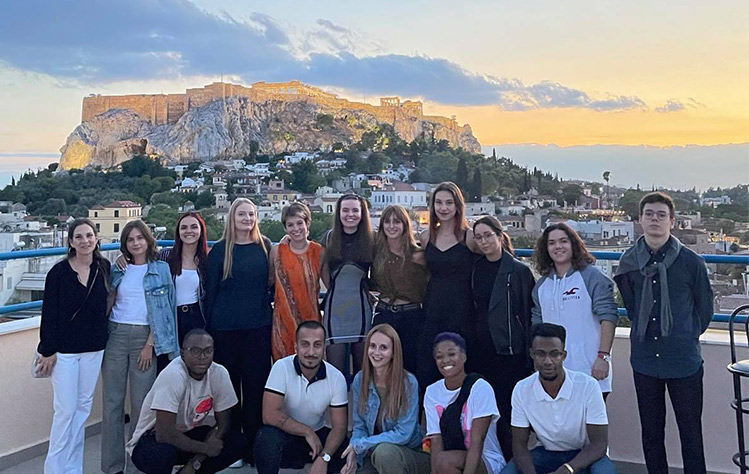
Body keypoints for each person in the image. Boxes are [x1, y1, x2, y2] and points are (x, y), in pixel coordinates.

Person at [614, 192, 713, 474]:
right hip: (645, 360)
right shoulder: (629, 262)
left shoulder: (692, 263)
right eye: (649, 214)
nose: (654, 219)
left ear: (672, 221)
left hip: (683, 360)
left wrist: (684, 334)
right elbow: (631, 306)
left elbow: (704, 309)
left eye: (661, 215)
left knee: (691, 433)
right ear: (640, 220)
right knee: (651, 433)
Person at [101, 220, 178, 474]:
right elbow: (108, 302)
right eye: (130, 240)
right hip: (116, 335)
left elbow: (165, 310)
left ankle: (137, 465)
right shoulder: (118, 269)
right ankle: (112, 467)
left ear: (148, 240)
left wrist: (150, 344)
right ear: (125, 244)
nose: (135, 243)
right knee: (112, 403)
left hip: (145, 339)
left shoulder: (161, 269)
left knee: (142, 406)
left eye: (139, 238)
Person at [37, 218, 111, 474]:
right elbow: (49, 314)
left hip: (94, 349)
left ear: (96, 238)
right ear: (70, 242)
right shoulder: (58, 273)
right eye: (79, 237)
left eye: (89, 235)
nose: (85, 241)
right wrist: (47, 350)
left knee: (81, 411)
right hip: (65, 353)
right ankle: (54, 469)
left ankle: (72, 469)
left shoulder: (104, 267)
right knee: (65, 412)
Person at [205, 197, 273, 467]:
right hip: (225, 329)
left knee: (256, 388)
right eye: (242, 214)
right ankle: (233, 445)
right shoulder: (221, 251)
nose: (247, 219)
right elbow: (210, 292)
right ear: (232, 218)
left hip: (258, 327)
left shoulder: (265, 247)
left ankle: (254, 447)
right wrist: (209, 329)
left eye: (251, 214)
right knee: (229, 389)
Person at [502, 323, 615, 474]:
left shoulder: (588, 386)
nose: (547, 361)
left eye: (554, 354)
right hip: (546, 453)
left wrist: (567, 470)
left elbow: (599, 444)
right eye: (540, 354)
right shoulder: (522, 390)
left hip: (585, 455)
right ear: (532, 354)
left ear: (564, 355)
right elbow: (519, 445)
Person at [127, 329, 245, 474]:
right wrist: (205, 448)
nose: (202, 357)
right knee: (161, 455)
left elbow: (224, 423)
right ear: (183, 354)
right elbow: (164, 434)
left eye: (208, 351)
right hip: (153, 438)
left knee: (238, 442)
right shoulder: (173, 375)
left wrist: (196, 461)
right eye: (195, 351)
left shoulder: (219, 373)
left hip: (191, 433)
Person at [470, 216, 535, 460]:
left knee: (509, 414)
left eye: (488, 235)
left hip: (509, 353)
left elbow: (527, 314)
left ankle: (513, 462)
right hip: (481, 351)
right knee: (485, 412)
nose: (484, 241)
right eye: (479, 237)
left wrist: (529, 355)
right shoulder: (477, 267)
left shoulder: (518, 270)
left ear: (499, 235)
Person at [531, 223, 618, 398]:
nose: (558, 246)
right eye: (552, 243)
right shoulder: (541, 286)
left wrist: (603, 357)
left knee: (591, 426)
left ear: (573, 244)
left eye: (563, 241)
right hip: (553, 375)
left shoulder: (592, 277)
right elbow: (537, 328)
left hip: (591, 372)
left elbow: (608, 317)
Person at [254, 321, 349, 474]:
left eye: (317, 345)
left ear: (324, 349)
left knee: (345, 449)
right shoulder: (281, 367)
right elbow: (269, 415)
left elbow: (340, 427)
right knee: (266, 438)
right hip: (288, 436)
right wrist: (306, 432)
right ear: (296, 347)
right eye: (305, 344)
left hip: (317, 436)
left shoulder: (336, 377)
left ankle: (317, 467)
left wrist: (324, 457)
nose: (311, 352)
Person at [343, 324, 430, 474]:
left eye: (383, 348)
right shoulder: (360, 379)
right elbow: (360, 426)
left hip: (409, 452)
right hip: (374, 452)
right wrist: (354, 452)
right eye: (372, 346)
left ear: (393, 353)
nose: (376, 352)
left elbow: (404, 433)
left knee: (384, 453)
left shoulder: (408, 382)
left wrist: (361, 445)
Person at [419, 182, 476, 389]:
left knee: (462, 365)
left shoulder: (469, 237)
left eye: (449, 203)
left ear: (458, 206)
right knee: (430, 367)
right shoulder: (426, 237)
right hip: (433, 309)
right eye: (439, 203)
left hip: (462, 310)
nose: (443, 208)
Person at [424, 332, 506, 474]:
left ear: (464, 356)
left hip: (485, 460)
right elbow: (436, 439)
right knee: (442, 461)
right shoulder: (432, 392)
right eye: (439, 356)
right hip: (448, 461)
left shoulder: (480, 388)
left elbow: (477, 442)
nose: (445, 360)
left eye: (451, 354)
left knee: (445, 461)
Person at [321, 193, 375, 379]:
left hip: (361, 311)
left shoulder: (372, 239)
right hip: (335, 311)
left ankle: (361, 408)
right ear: (338, 213)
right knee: (335, 376)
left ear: (362, 213)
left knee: (363, 374)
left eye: (355, 210)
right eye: (345, 210)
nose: (350, 214)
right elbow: (320, 267)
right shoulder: (329, 238)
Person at [371, 205, 429, 375]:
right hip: (383, 313)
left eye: (396, 221)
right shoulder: (376, 253)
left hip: (410, 316)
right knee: (381, 368)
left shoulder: (419, 255)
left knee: (410, 366)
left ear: (405, 224)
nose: (391, 226)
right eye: (387, 222)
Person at [271, 202, 324, 360]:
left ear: (308, 223)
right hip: (283, 323)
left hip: (311, 321)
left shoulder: (319, 252)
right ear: (285, 228)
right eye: (290, 225)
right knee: (284, 370)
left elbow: (330, 284)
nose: (296, 228)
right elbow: (268, 281)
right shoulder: (277, 252)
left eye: (300, 223)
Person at [159, 211, 209, 346]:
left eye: (194, 227)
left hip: (196, 317)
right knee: (168, 363)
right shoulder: (165, 256)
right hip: (170, 316)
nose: (189, 231)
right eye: (184, 227)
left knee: (194, 362)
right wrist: (123, 258)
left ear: (201, 230)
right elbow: (142, 262)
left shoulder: (208, 259)